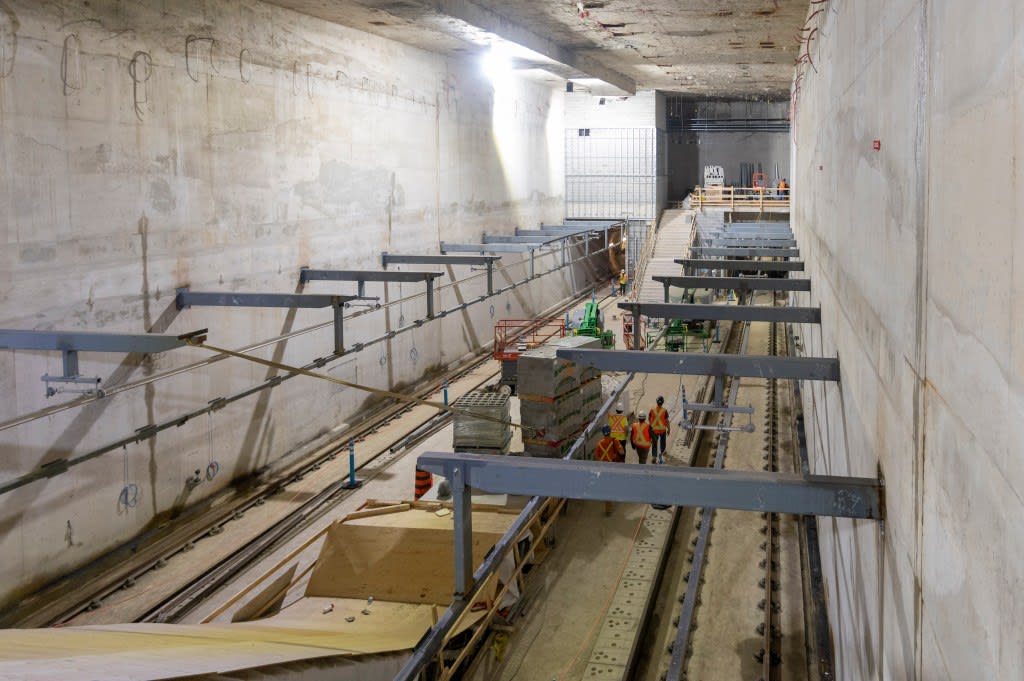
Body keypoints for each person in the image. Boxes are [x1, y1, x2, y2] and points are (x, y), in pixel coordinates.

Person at [594, 425, 625, 515]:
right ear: (610, 432)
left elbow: (596, 457)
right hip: (613, 466)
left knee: (606, 486)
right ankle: (610, 504)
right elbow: (621, 451)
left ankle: (608, 506)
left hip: (603, 468)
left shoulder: (599, 444)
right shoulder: (614, 441)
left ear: (603, 433)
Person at [649, 396, 670, 464]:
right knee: (663, 442)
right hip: (662, 430)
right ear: (663, 402)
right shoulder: (665, 411)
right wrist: (669, 429)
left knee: (654, 443)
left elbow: (649, 418)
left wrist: (652, 426)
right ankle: (663, 452)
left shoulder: (652, 410)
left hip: (654, 430)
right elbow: (667, 421)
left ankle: (654, 457)